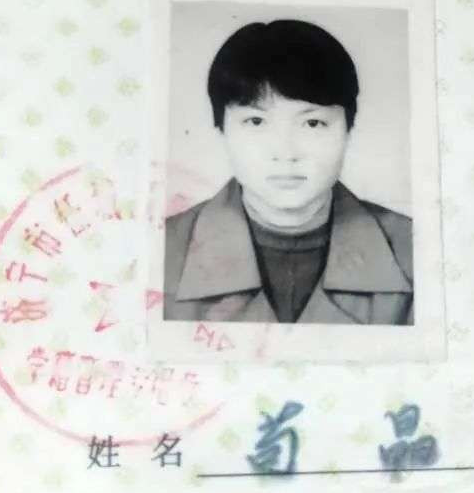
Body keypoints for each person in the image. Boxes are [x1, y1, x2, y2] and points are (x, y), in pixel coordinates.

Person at [163, 17, 413, 325]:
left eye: (312, 123)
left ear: (348, 129)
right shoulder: (159, 250)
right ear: (221, 130)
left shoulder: (416, 251)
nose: (286, 153)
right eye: (256, 122)